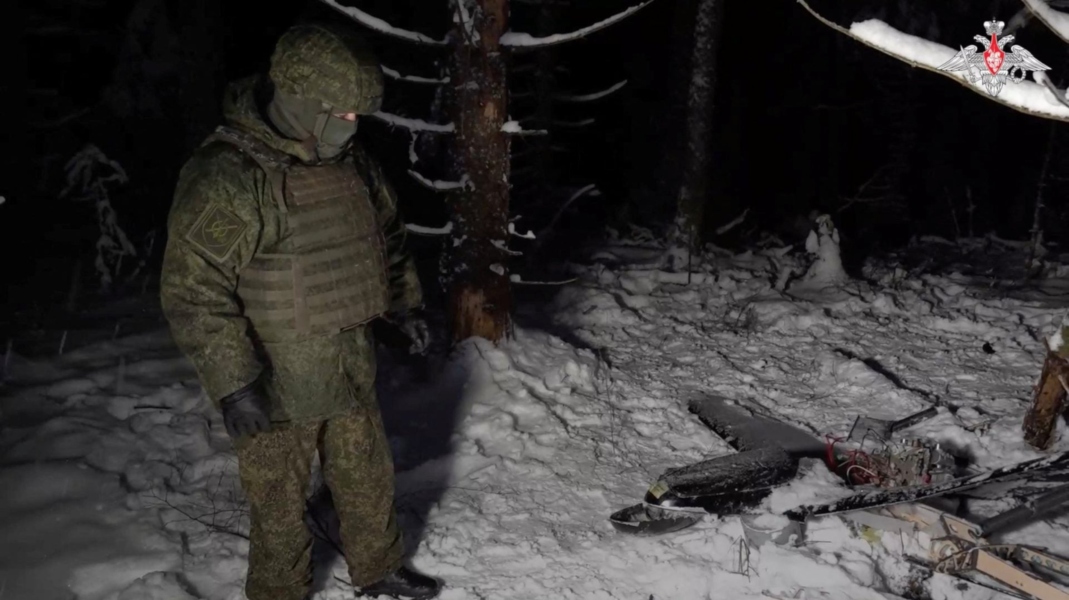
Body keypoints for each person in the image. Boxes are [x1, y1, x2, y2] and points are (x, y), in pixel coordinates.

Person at [159, 21, 441, 600]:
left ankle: (378, 567)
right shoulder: (231, 175)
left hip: (349, 359)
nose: (350, 125)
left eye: (356, 115)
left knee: (366, 473)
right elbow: (194, 288)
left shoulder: (353, 163)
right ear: (299, 100)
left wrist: (402, 308)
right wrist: (234, 384)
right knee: (278, 502)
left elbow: (384, 237)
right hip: (276, 375)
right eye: (339, 113)